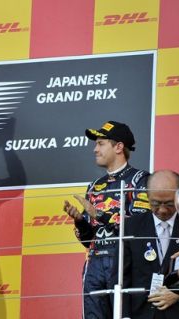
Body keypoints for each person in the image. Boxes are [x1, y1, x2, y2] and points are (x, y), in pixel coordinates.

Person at [63, 121, 150, 318]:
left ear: (118, 147)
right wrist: (79, 221)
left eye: (101, 144)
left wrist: (99, 214)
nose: (95, 149)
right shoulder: (94, 185)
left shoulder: (140, 179)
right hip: (94, 261)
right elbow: (87, 241)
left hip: (124, 260)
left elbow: (138, 227)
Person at [118, 170, 179, 318]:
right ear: (147, 196)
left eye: (169, 204)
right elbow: (120, 277)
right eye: (156, 204)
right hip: (141, 313)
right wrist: (124, 316)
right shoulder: (130, 227)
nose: (163, 210)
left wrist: (178, 295)